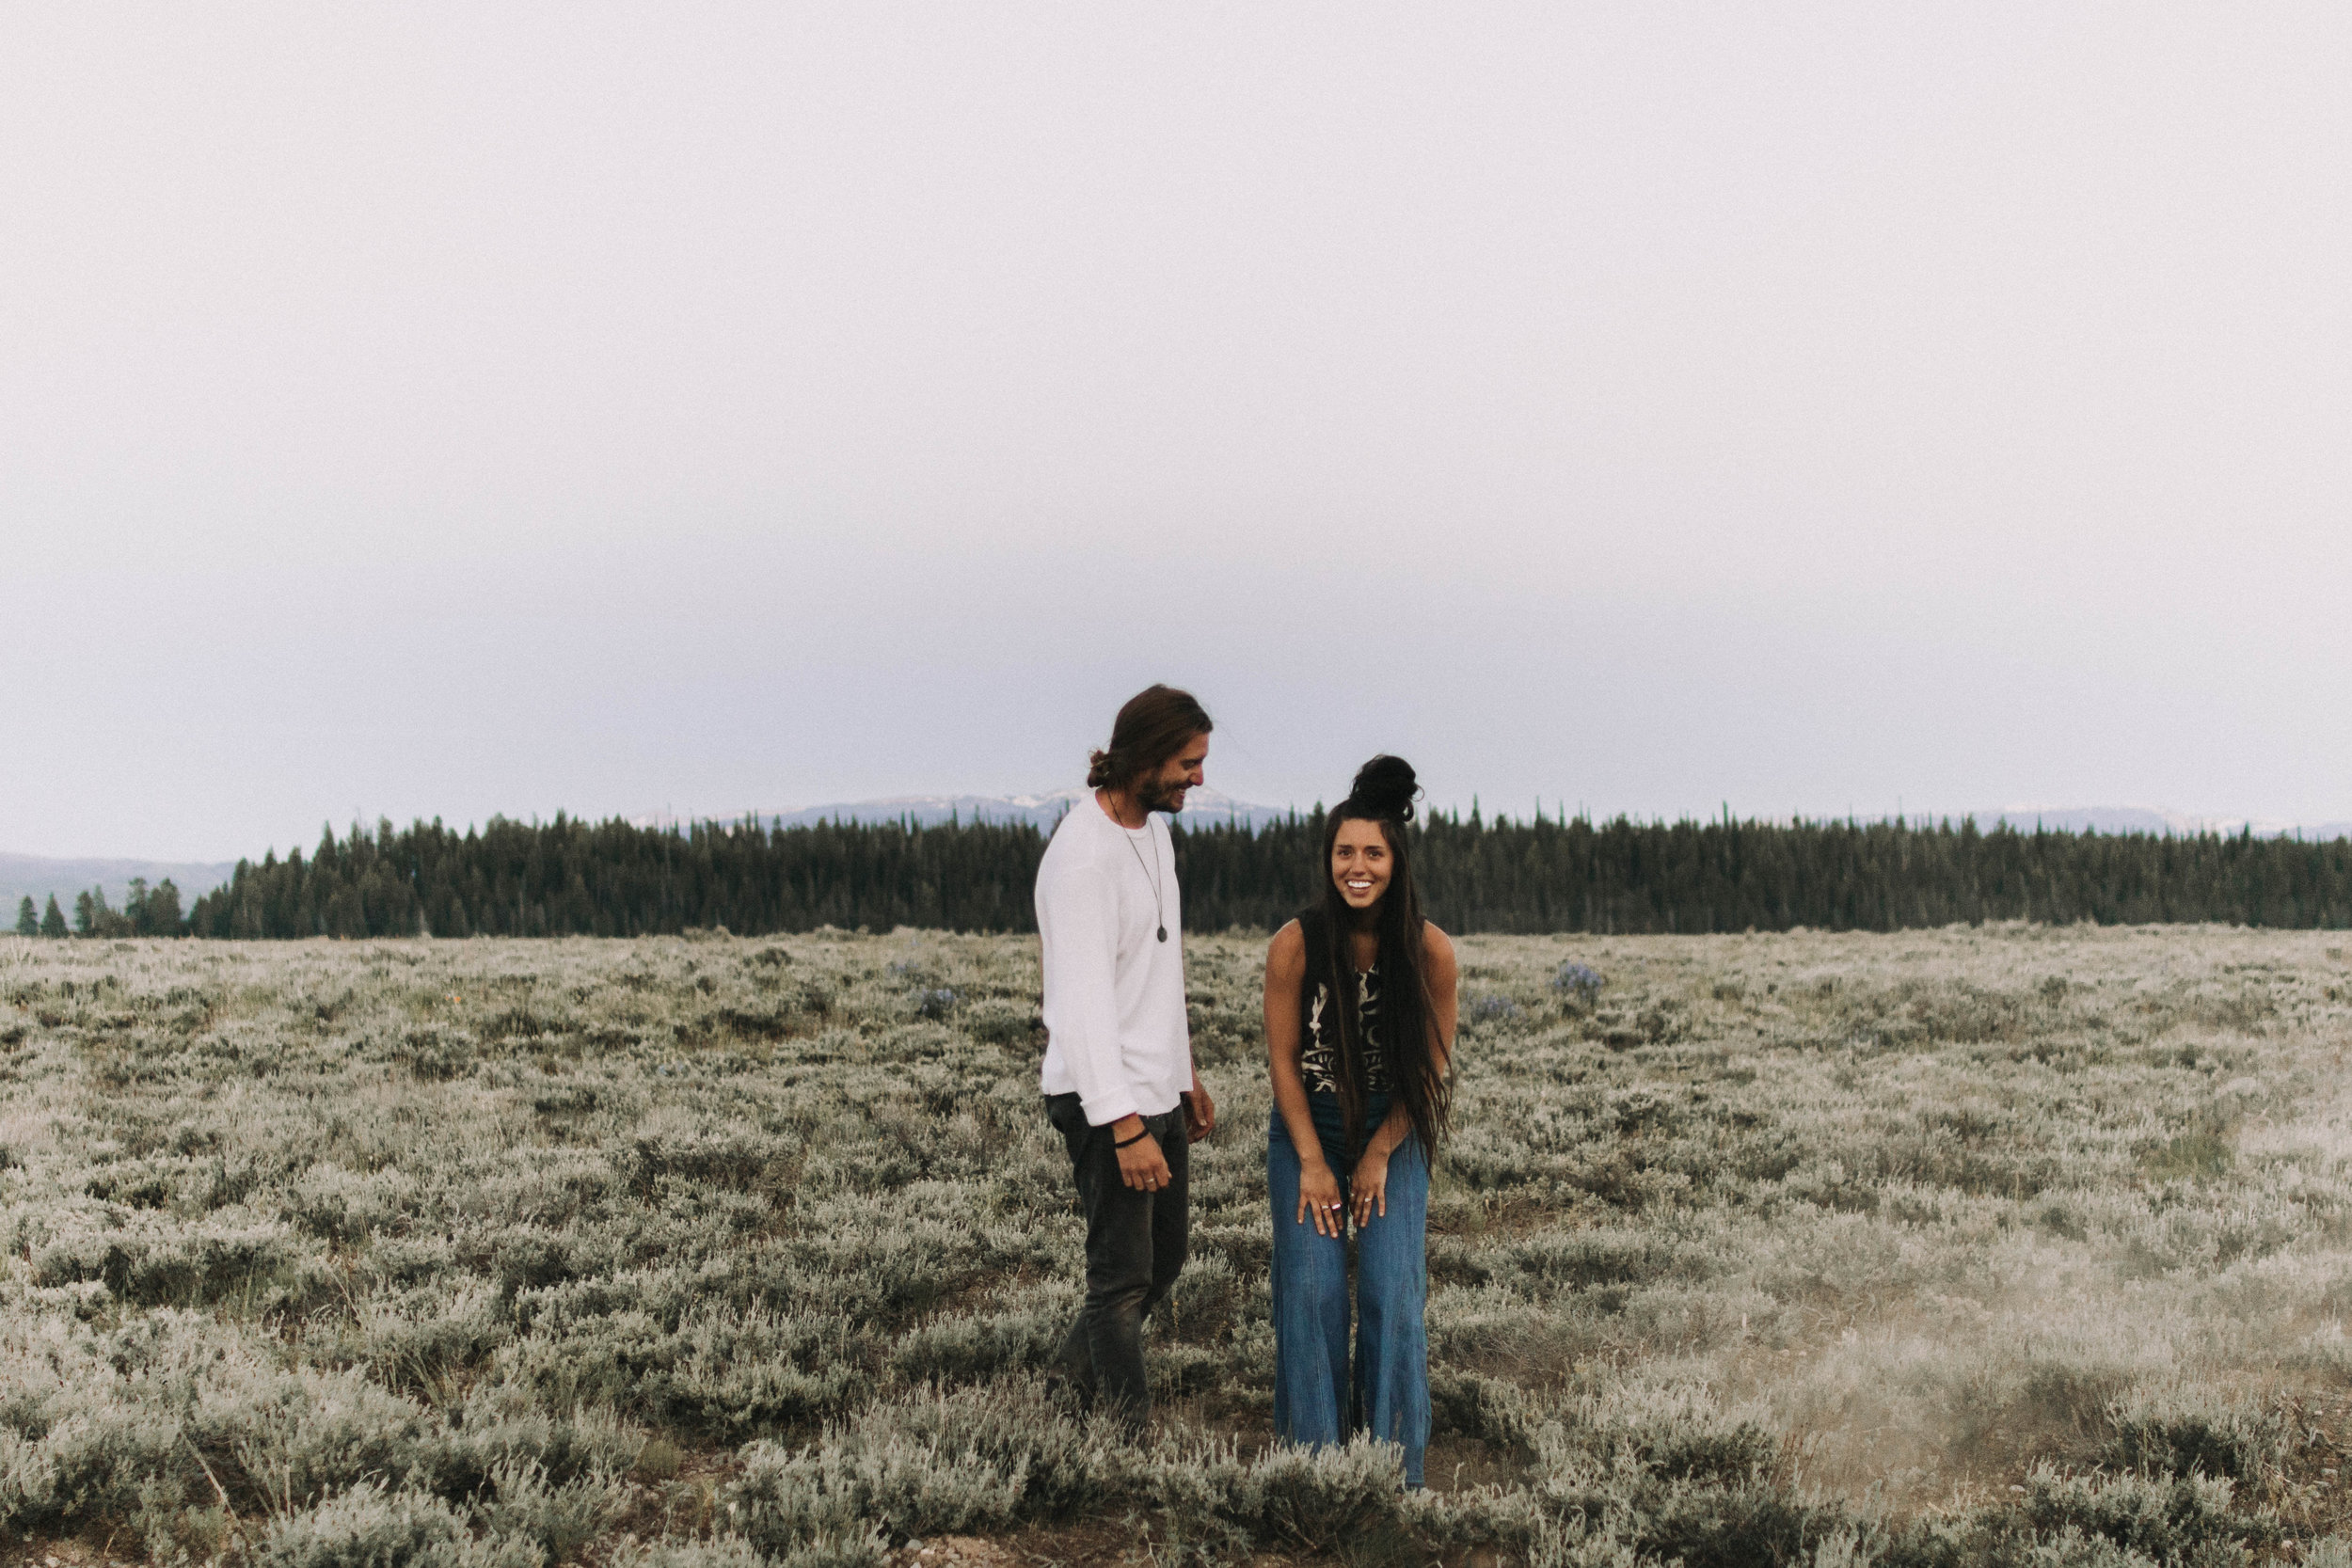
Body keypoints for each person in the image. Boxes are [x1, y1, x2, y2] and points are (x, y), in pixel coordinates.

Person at [1263, 755, 1456, 1488]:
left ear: (1395, 860)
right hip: (1307, 1125)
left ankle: (1390, 1473)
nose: (1357, 866)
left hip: (1392, 1129)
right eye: (1344, 851)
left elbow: (1428, 1068)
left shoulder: (1429, 951)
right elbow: (1283, 1062)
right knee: (1310, 1293)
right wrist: (1312, 1159)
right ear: (1328, 859)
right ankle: (1315, 1473)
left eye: (1372, 852)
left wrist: (1379, 1149)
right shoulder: (1296, 944)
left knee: (1389, 1290)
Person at [1038, 684, 1219, 1426]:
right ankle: (1126, 1437)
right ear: (1143, 758)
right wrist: (1123, 1125)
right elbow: (1080, 1009)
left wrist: (1184, 1075)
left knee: (1165, 1261)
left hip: (1153, 1087)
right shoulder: (1083, 858)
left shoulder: (1153, 832)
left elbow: (1154, 970)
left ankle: (1063, 1379)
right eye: (1188, 762)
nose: (1198, 778)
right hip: (1104, 1097)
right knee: (1119, 1282)